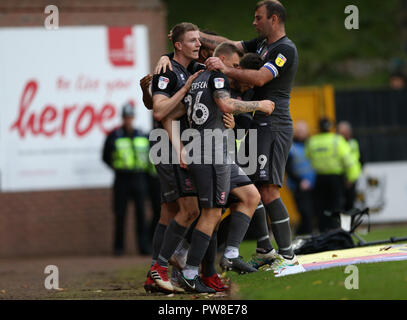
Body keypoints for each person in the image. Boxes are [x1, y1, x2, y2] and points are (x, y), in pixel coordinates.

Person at [198, 0, 300, 273]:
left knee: (267, 190)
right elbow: (229, 43)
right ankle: (265, 249)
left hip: (274, 124)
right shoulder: (262, 44)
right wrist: (196, 36)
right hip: (259, 123)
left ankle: (288, 257)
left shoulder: (284, 50)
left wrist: (224, 69)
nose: (254, 23)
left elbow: (259, 79)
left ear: (274, 19)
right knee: (250, 187)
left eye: (258, 18)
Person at [165, 42, 274, 293]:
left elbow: (171, 115)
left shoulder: (196, 79)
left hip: (214, 151)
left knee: (251, 195)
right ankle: (189, 272)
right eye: (234, 65)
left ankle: (231, 254)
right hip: (211, 154)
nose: (236, 70)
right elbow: (226, 105)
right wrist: (261, 105)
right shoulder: (217, 78)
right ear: (221, 59)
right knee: (211, 214)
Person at [146, 22, 207, 294]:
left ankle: (158, 275)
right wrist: (184, 90)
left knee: (169, 212)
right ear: (179, 45)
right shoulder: (168, 72)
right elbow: (159, 111)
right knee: (190, 210)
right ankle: (161, 269)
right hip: (169, 147)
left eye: (199, 39)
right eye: (192, 40)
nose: (198, 44)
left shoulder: (189, 68)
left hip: (178, 146)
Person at [102, 103, 151, 256]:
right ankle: (119, 248)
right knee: (120, 214)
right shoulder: (114, 135)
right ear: (122, 118)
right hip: (121, 179)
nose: (128, 120)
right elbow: (105, 156)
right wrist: (117, 168)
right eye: (126, 117)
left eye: (130, 117)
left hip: (139, 178)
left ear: (133, 118)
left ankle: (143, 247)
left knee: (141, 215)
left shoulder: (141, 134)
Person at [305, 117, 361, 232]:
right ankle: (339, 230)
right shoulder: (337, 140)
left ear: (318, 128)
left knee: (321, 207)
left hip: (319, 178)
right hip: (336, 178)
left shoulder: (312, 141)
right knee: (337, 205)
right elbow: (348, 161)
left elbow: (308, 157)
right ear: (330, 127)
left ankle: (323, 231)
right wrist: (351, 178)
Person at [285, 120, 316, 235]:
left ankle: (302, 235)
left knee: (312, 214)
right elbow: (288, 169)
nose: (301, 133)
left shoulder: (311, 144)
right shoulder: (291, 147)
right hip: (298, 186)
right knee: (305, 213)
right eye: (299, 131)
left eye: (303, 130)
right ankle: (301, 235)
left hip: (313, 184)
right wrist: (300, 181)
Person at [337, 121, 363, 211]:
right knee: (340, 202)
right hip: (340, 177)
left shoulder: (354, 143)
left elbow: (360, 159)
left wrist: (352, 178)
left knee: (350, 202)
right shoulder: (337, 143)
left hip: (353, 177)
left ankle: (349, 223)